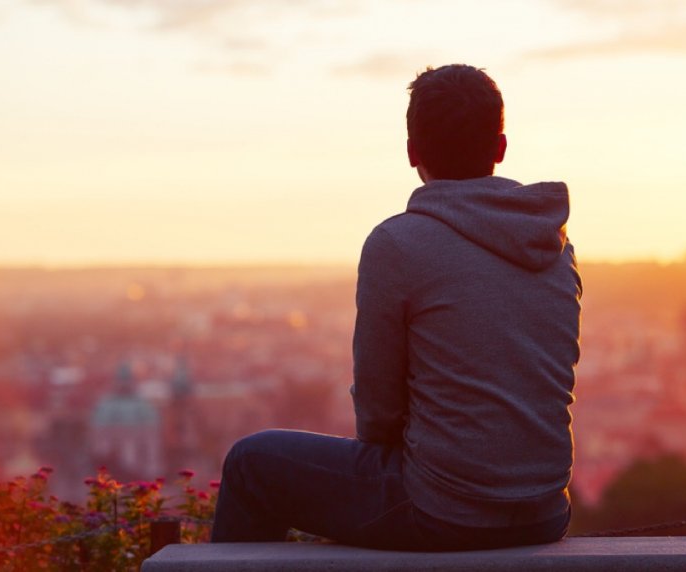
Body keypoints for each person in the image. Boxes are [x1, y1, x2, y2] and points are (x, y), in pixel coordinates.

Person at [211, 64, 582, 551]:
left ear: (412, 153)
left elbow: (379, 409)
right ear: (500, 148)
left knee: (251, 462)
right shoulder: (553, 243)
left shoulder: (398, 244)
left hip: (444, 512)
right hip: (546, 512)